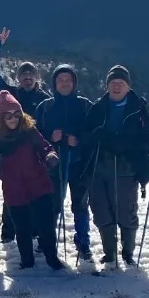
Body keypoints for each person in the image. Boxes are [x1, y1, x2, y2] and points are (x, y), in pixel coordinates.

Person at [80, 65, 149, 269]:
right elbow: (85, 134)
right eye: (113, 83)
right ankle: (110, 253)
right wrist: (97, 136)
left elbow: (147, 139)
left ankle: (127, 253)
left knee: (125, 210)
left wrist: (127, 145)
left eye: (121, 83)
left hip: (126, 167)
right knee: (101, 210)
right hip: (98, 166)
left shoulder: (138, 109)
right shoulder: (98, 107)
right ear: (107, 86)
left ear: (128, 86)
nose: (116, 86)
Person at [0, 91, 64, 270]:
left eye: (17, 114)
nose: (13, 119)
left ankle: (52, 258)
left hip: (39, 184)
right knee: (22, 228)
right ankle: (27, 260)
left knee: (46, 225)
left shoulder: (29, 130)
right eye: (8, 116)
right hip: (14, 189)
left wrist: (50, 155)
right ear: (1, 117)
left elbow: (44, 146)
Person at [0, 28, 51, 243]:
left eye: (30, 74)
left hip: (33, 154)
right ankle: (8, 233)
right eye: (23, 74)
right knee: (12, 193)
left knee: (33, 193)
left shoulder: (44, 99)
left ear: (36, 77)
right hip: (11, 152)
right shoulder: (11, 94)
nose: (27, 77)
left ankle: (32, 233)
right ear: (19, 78)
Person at [35, 64, 94, 264]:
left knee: (81, 205)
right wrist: (50, 137)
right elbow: (35, 135)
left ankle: (83, 242)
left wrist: (79, 140)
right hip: (53, 166)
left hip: (79, 164)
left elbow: (94, 133)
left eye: (68, 79)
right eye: (60, 80)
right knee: (52, 206)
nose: (65, 83)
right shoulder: (45, 107)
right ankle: (46, 241)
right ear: (54, 83)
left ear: (74, 82)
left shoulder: (85, 106)